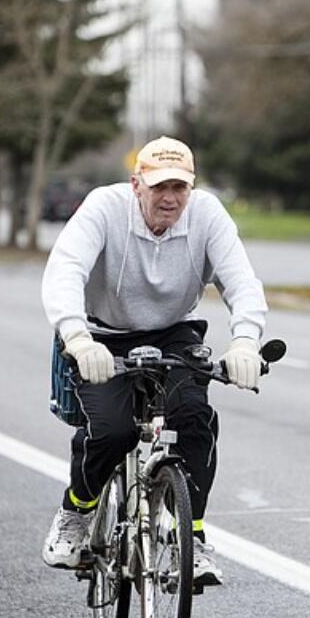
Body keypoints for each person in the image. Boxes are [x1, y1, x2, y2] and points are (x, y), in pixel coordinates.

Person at [39, 135, 267, 588]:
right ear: (136, 184)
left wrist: (245, 341)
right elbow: (65, 270)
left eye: (179, 188)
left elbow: (242, 282)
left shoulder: (206, 215)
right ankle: (76, 511)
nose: (169, 198)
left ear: (192, 188)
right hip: (101, 334)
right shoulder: (104, 208)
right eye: (159, 186)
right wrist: (78, 339)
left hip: (173, 332)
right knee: (112, 431)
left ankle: (192, 536)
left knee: (194, 418)